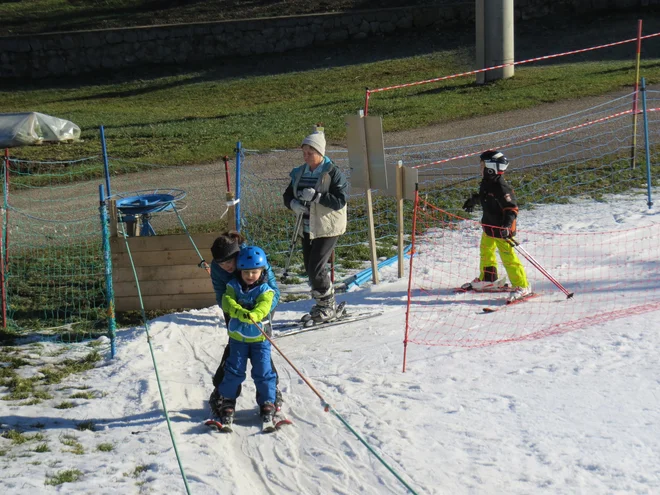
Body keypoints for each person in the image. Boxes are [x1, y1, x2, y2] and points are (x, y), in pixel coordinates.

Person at [208, 232, 282, 416]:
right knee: (235, 349)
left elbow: (274, 292)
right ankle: (223, 392)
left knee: (260, 349)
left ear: (238, 256)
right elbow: (220, 295)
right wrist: (237, 311)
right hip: (235, 309)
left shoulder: (253, 258)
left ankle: (270, 393)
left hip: (259, 308)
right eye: (221, 264)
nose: (226, 267)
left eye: (229, 263)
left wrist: (258, 312)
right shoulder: (218, 269)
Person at [282, 125, 348, 323]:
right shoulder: (300, 172)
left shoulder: (332, 173)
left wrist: (318, 196)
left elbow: (340, 200)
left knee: (316, 266)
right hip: (306, 227)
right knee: (310, 267)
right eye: (304, 152)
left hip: (327, 227)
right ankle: (323, 304)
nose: (306, 156)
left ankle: (327, 305)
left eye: (310, 152)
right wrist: (292, 203)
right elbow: (288, 193)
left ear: (320, 152)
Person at [462, 150, 531, 302]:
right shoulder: (487, 182)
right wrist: (474, 200)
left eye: (482, 165)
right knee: (486, 251)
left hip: (501, 230)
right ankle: (489, 278)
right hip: (489, 226)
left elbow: (511, 209)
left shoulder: (501, 187)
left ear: (491, 167)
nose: (480, 168)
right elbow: (485, 196)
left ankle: (522, 285)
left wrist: (506, 226)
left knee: (508, 257)